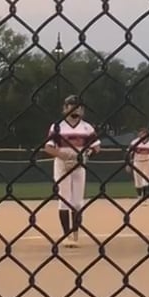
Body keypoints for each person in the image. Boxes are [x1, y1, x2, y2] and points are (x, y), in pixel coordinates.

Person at [42, 95, 101, 241]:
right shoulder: (58, 127)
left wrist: (86, 154)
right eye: (72, 105)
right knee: (64, 199)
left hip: (79, 165)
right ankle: (67, 235)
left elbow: (96, 147)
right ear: (65, 108)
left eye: (78, 106)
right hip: (62, 165)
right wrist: (63, 155)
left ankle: (75, 234)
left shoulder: (87, 127)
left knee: (77, 201)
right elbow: (48, 148)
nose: (76, 109)